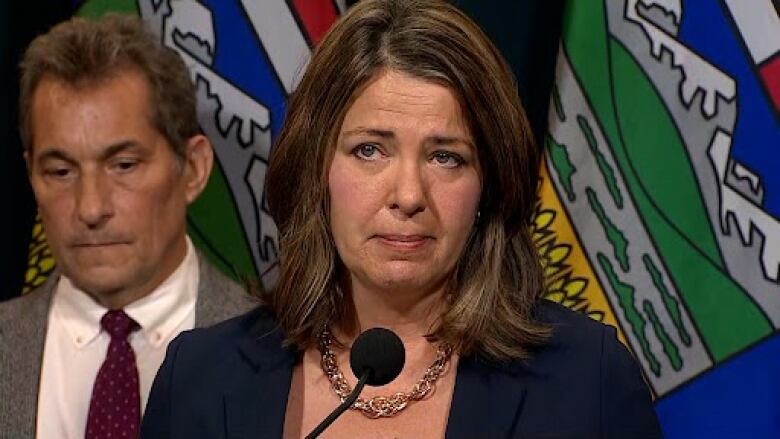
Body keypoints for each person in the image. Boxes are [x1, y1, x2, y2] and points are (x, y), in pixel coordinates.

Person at [141, 0, 662, 437]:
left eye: (446, 157)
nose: (409, 195)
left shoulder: (587, 382)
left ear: (488, 185)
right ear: (316, 172)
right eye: (370, 150)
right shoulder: (200, 379)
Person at [0, 15, 255, 438]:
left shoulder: (282, 354)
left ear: (193, 169)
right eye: (61, 171)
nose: (91, 208)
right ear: (30, 175)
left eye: (123, 166)